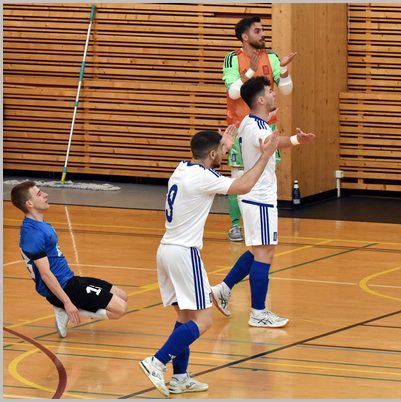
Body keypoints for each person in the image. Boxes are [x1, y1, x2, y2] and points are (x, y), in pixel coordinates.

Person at [138, 125, 279, 396]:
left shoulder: (181, 169)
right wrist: (265, 155)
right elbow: (244, 185)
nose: (224, 155)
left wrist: (223, 144)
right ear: (212, 154)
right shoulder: (204, 178)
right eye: (221, 152)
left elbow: (210, 160)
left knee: (185, 317)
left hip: (165, 250)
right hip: (184, 253)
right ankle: (156, 361)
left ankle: (180, 377)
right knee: (203, 320)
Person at [210, 76, 315, 328]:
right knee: (265, 253)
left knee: (257, 251)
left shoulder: (251, 122)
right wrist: (291, 140)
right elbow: (268, 143)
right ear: (259, 100)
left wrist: (294, 139)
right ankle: (258, 312)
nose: (274, 94)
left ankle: (223, 289)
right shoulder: (257, 127)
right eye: (269, 91)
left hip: (254, 196)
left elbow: (269, 141)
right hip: (259, 197)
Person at [10, 181, 128, 338]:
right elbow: (46, 275)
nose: (45, 194)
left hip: (70, 279)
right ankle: (65, 309)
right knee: (120, 309)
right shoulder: (33, 234)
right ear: (29, 203)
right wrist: (67, 302)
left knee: (122, 296)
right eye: (39, 194)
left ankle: (67, 306)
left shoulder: (40, 224)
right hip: (63, 288)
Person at [223, 15, 296, 242]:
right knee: (239, 174)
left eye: (262, 30)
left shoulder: (271, 56)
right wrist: (250, 71)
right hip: (240, 127)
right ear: (245, 36)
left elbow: (286, 90)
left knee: (266, 172)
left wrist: (283, 70)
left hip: (266, 126)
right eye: (257, 31)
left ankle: (262, 221)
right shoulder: (232, 59)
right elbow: (233, 92)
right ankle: (236, 225)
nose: (263, 34)